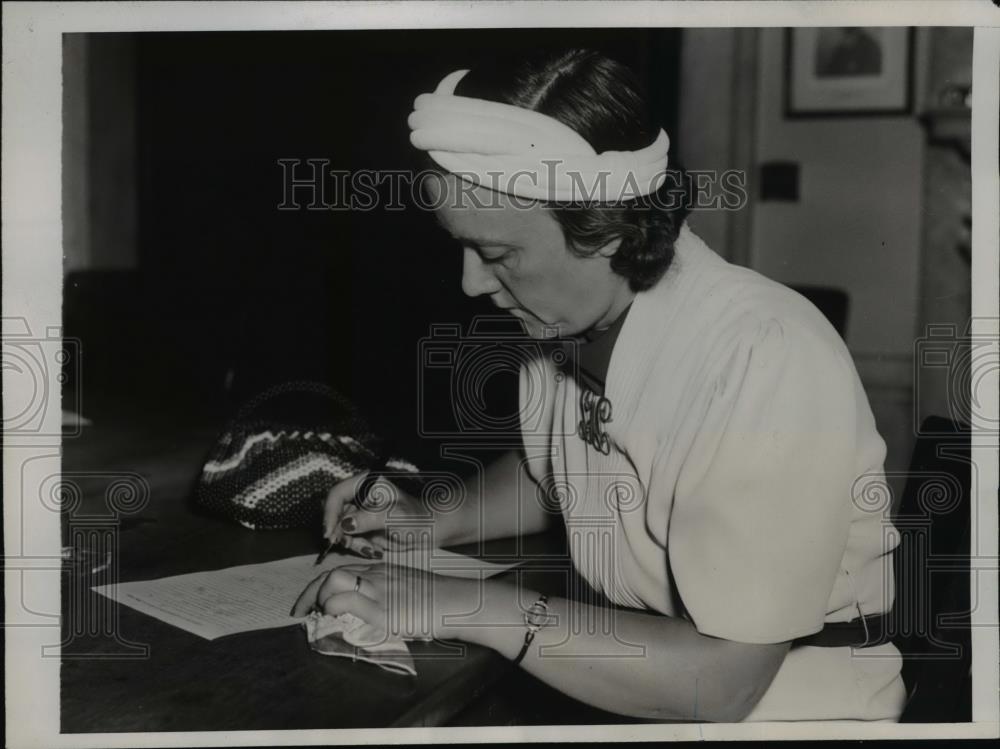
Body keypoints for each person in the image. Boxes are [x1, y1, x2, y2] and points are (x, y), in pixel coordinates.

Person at [293, 49, 906, 722]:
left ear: (607, 229)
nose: (472, 282)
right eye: (460, 246)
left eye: (498, 254)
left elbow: (726, 682)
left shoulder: (760, 356)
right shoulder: (567, 326)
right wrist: (433, 517)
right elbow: (563, 468)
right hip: (632, 691)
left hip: (792, 712)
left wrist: (449, 600)